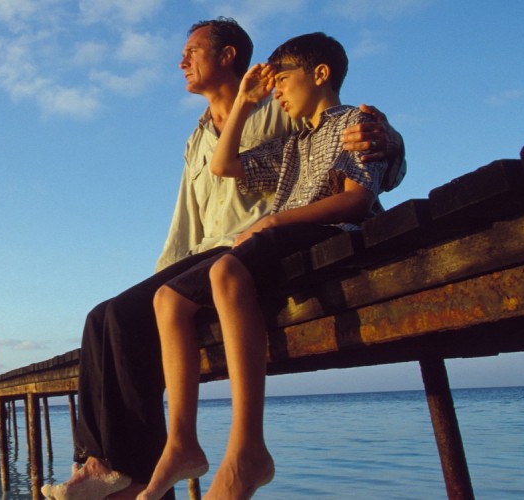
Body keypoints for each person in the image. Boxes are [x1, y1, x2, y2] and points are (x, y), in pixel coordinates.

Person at [41, 18, 404, 500]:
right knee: (104, 316)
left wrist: (388, 140)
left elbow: (350, 133)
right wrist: (158, 282)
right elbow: (187, 216)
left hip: (248, 247)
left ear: (228, 55)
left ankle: (137, 475)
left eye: (192, 50)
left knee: (131, 317)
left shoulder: (279, 109)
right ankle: (101, 464)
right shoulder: (196, 139)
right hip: (198, 256)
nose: (181, 61)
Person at [140, 32, 393, 500]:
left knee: (225, 271)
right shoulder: (294, 143)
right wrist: (244, 101)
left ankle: (247, 448)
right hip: (280, 238)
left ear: (320, 75)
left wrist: (275, 218)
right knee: (167, 299)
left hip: (332, 238)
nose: (275, 92)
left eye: (283, 81)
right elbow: (223, 165)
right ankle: (180, 442)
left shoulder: (356, 123)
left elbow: (358, 201)